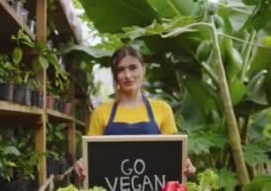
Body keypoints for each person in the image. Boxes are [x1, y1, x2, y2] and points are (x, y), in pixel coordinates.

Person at [76, 45, 196, 180]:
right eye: (121, 70)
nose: (127, 75)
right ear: (115, 76)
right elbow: (92, 157)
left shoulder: (162, 109)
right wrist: (82, 165)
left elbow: (173, 156)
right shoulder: (101, 112)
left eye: (133, 68)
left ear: (143, 70)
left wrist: (185, 164)